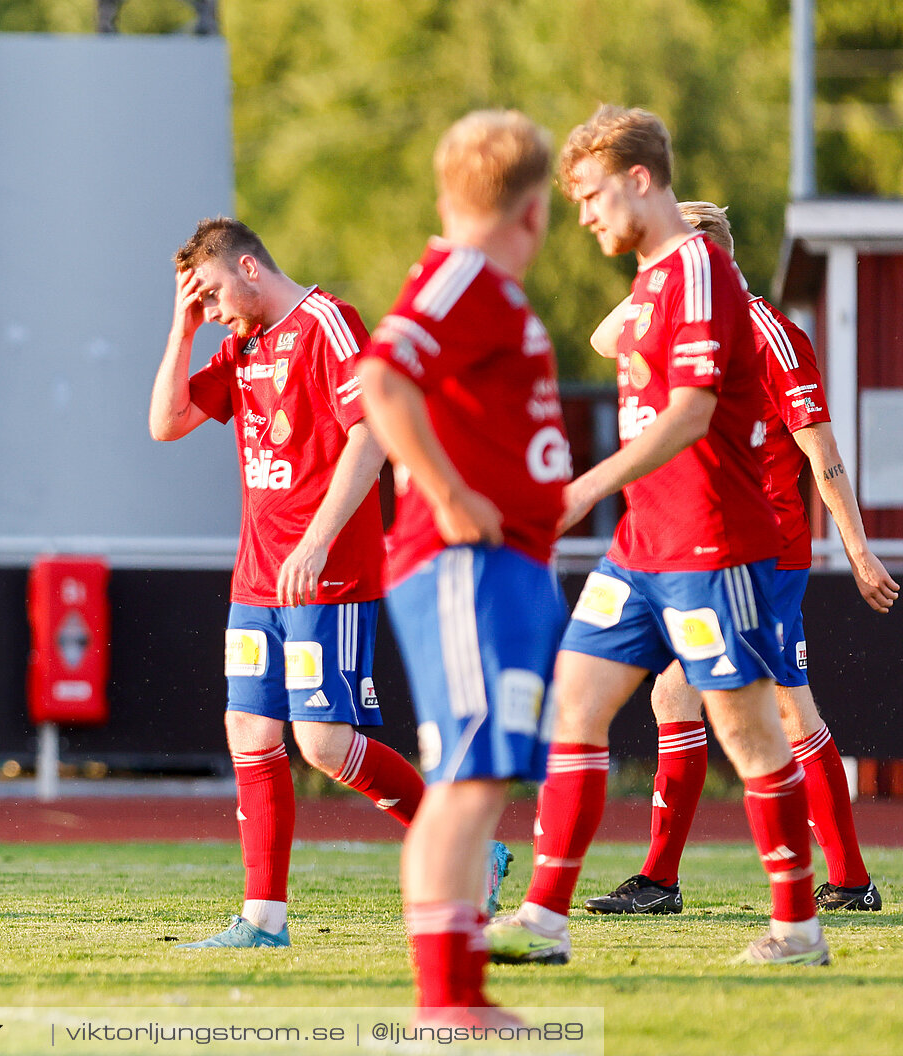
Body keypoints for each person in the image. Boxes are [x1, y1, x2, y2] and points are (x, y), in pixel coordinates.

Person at [486, 105, 829, 967]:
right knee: (576, 701)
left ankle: (797, 929)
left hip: (712, 546)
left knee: (750, 736)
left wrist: (581, 491)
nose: (586, 216)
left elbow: (691, 413)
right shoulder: (647, 282)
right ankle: (545, 919)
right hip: (642, 546)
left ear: (641, 179)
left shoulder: (702, 271)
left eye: (595, 196)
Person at [151, 217, 461, 949]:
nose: (216, 309)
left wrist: (317, 542)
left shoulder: (328, 321)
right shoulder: (238, 345)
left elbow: (373, 432)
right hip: (257, 578)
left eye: (218, 292)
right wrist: (182, 326)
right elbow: (165, 423)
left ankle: (466, 846)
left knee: (321, 744)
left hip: (327, 573)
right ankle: (264, 921)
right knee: (249, 731)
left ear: (251, 267)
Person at [579, 201, 895, 917]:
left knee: (764, 707)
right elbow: (605, 339)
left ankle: (693, 882)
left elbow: (821, 452)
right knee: (724, 700)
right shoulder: (690, 323)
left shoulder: (769, 333)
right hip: (709, 548)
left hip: (766, 552)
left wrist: (857, 549)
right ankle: (836, 879)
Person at [356, 109, 570, 1020]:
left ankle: (462, 995)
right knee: (464, 777)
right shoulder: (461, 275)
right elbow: (381, 378)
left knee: (485, 776)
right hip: (460, 563)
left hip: (507, 565)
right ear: (535, 213)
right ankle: (445, 1004)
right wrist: (444, 494)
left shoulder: (484, 285)